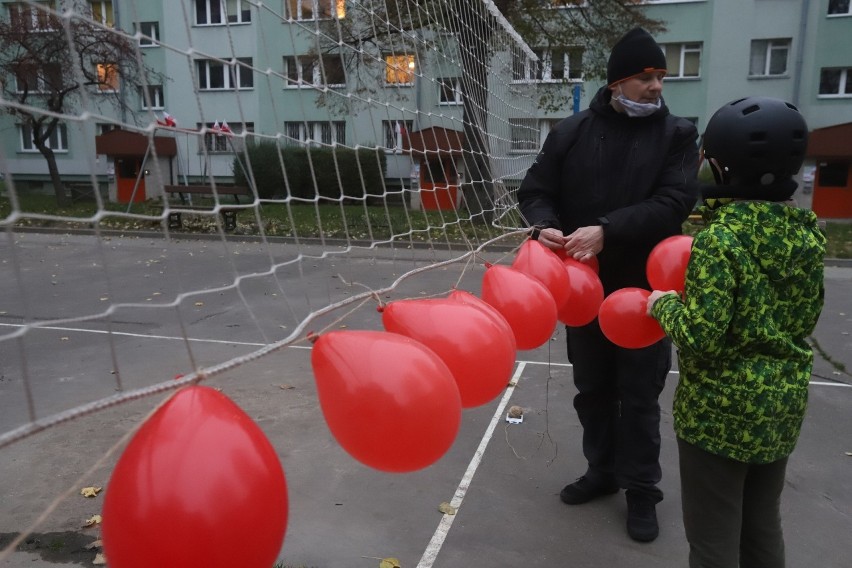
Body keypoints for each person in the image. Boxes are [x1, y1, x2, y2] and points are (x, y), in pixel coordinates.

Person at [516, 27, 699, 542]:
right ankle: (603, 472)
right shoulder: (572, 132)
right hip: (582, 290)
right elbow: (535, 189)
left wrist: (608, 229)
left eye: (661, 77)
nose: (656, 87)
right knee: (592, 390)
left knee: (640, 395)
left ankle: (642, 490)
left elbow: (674, 203)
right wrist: (543, 224)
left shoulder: (678, 135)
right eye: (645, 77)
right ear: (618, 81)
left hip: (646, 292)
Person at [647, 96, 825, 567]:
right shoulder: (807, 235)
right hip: (781, 407)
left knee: (712, 539)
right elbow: (805, 317)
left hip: (718, 417)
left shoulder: (719, 241)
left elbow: (701, 334)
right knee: (763, 524)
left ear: (726, 170)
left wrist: (662, 304)